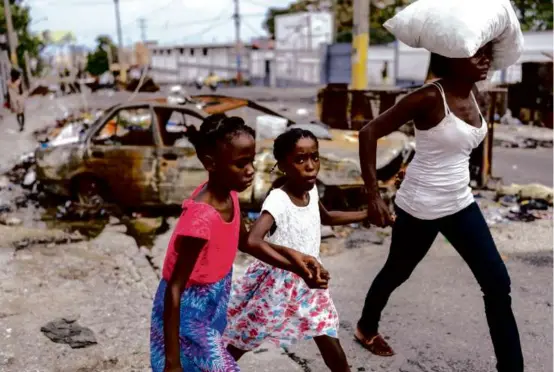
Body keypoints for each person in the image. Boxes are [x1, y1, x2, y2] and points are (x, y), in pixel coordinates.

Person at [355, 43, 524, 372]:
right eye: (476, 53)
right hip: (421, 207)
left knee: (497, 284)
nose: (485, 59)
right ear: (451, 57)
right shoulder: (428, 97)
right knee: (397, 272)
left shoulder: (478, 94)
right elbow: (368, 132)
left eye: (487, 52)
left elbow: (457, 149)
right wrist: (373, 196)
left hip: (460, 202)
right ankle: (366, 327)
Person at [150, 115, 327, 372]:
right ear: (210, 163)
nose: (251, 170)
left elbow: (245, 242)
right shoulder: (200, 219)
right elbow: (174, 289)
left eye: (251, 161)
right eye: (240, 164)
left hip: (213, 303)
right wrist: (171, 361)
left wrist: (295, 259)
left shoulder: (230, 195)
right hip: (189, 314)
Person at [224, 128, 369, 372]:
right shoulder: (278, 200)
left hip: (310, 280)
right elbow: (252, 241)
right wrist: (294, 266)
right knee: (242, 340)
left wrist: (368, 214)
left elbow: (327, 217)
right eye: (300, 159)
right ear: (282, 164)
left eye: (315, 157)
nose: (310, 166)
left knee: (326, 332)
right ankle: (207, 367)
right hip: (277, 285)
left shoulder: (310, 190)